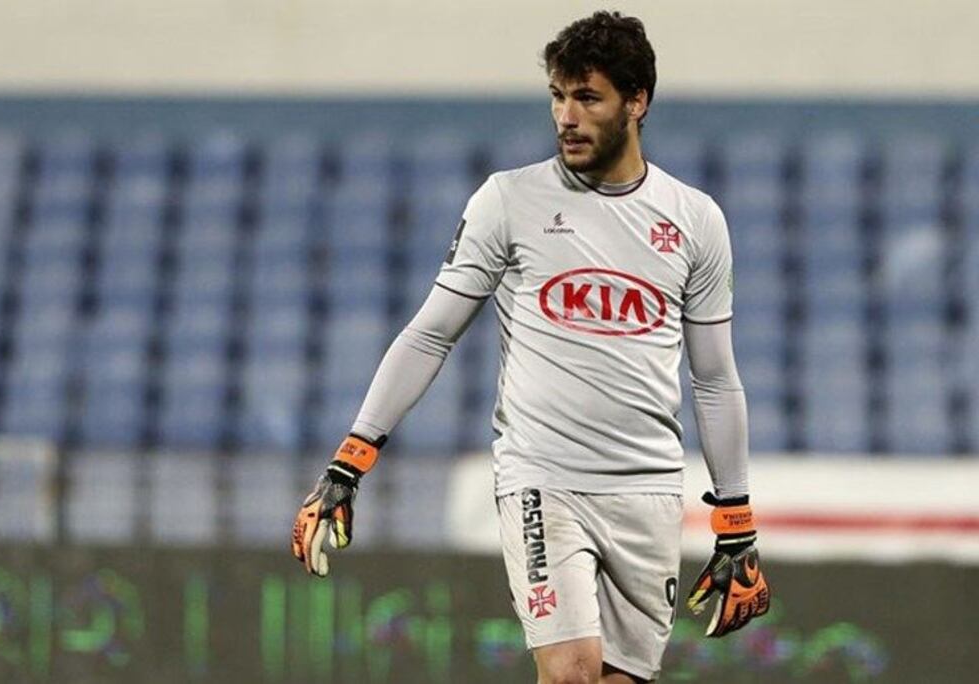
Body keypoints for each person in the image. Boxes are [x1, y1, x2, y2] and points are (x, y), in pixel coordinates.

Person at [291, 10, 770, 683]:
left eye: (587, 97)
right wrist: (350, 460)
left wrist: (735, 520)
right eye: (557, 95)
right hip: (544, 478)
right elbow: (431, 332)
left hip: (649, 490)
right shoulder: (508, 201)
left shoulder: (695, 220)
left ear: (638, 102)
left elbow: (715, 378)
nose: (566, 116)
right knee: (571, 672)